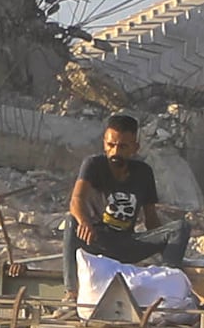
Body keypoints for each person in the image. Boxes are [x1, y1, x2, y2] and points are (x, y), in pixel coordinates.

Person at [71, 111, 166, 265]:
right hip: (97, 239)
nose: (115, 152)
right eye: (111, 145)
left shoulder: (144, 172)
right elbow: (77, 199)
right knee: (71, 222)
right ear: (104, 144)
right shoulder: (93, 165)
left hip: (125, 243)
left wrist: (162, 242)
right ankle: (71, 287)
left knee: (179, 229)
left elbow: (151, 219)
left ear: (135, 148)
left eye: (122, 147)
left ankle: (172, 275)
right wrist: (84, 221)